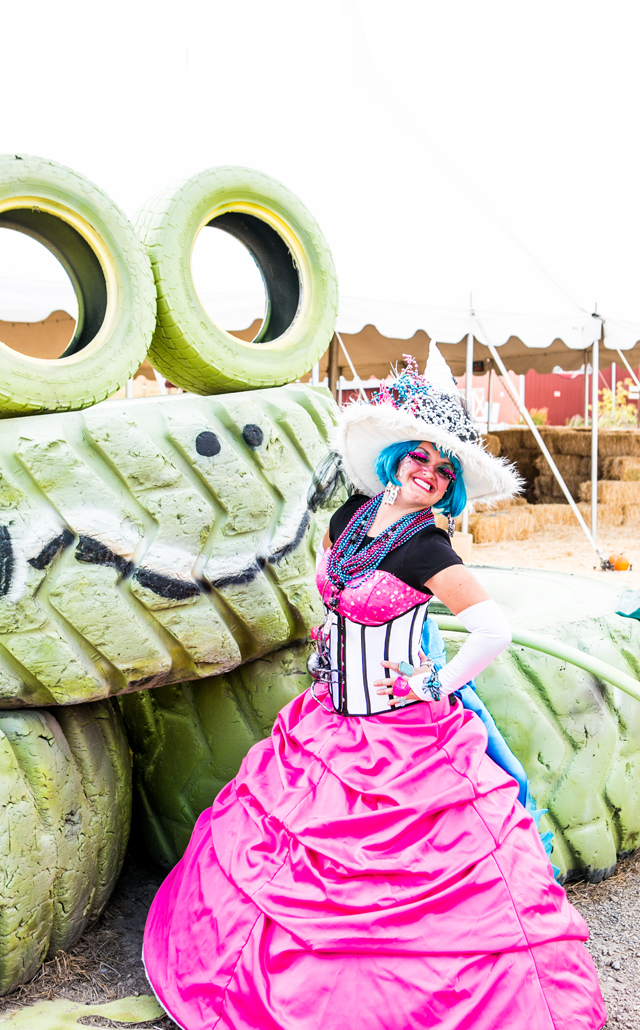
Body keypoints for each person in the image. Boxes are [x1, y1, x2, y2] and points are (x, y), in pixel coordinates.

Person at [143, 347, 606, 1030]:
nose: (429, 474)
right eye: (421, 457)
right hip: (327, 720)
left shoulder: (429, 549)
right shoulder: (350, 517)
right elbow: (339, 594)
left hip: (398, 736)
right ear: (395, 458)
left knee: (400, 880)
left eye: (444, 471)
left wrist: (432, 682)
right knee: (286, 852)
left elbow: (493, 631)